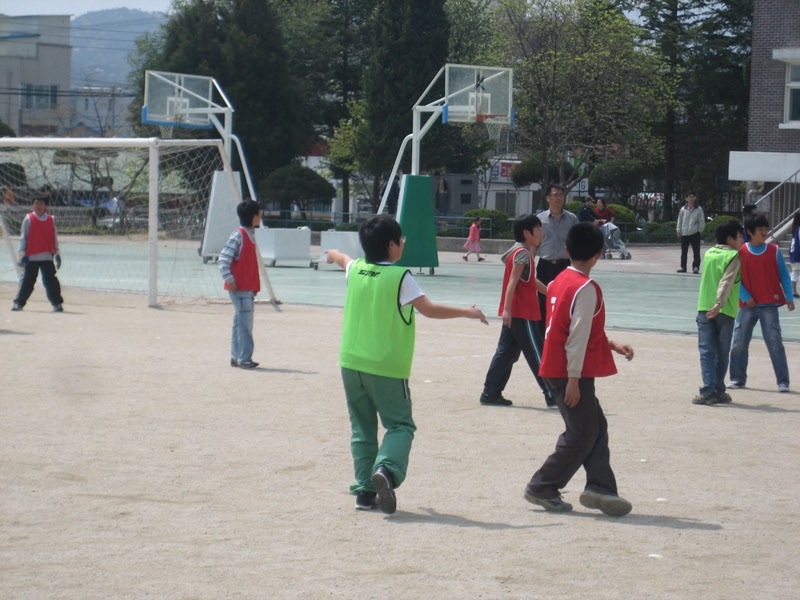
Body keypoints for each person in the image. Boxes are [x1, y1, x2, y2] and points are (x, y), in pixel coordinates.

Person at [326, 215, 488, 514]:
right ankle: (386, 471)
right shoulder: (399, 277)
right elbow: (429, 309)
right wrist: (468, 312)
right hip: (386, 366)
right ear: (391, 245)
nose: (403, 243)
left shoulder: (357, 269)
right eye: (401, 239)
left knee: (362, 429)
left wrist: (334, 254)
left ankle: (364, 492)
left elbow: (344, 260)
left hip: (350, 363)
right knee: (400, 425)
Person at [524, 222, 635, 516]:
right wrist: (574, 379)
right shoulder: (586, 288)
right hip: (570, 371)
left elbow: (572, 327)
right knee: (581, 433)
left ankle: (601, 487)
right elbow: (577, 335)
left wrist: (611, 344)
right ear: (598, 254)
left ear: (567, 250)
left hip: (555, 366)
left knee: (594, 426)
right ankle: (542, 486)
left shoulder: (559, 281)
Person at [480, 214, 554, 408]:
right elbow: (513, 281)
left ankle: (491, 393)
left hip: (515, 313)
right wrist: (507, 309)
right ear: (527, 233)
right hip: (522, 312)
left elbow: (528, 281)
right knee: (536, 352)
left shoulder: (516, 251)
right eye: (538, 229)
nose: (541, 233)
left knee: (506, 353)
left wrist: (550, 292)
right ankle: (551, 392)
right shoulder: (523, 253)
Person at [728, 214, 795, 393]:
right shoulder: (740, 252)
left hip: (769, 305)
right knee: (739, 342)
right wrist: (745, 297)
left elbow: (784, 275)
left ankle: (783, 381)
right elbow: (734, 279)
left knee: (775, 342)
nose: (764, 233)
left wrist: (789, 296)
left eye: (766, 230)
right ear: (750, 232)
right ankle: (737, 378)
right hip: (747, 306)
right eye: (760, 230)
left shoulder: (774, 250)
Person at [692, 220, 744, 406]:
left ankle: (709, 390)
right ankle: (718, 390)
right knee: (722, 352)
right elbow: (726, 281)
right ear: (730, 239)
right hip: (724, 310)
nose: (742, 240)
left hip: (704, 307)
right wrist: (719, 303)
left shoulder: (709, 253)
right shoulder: (733, 256)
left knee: (706, 352)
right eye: (740, 236)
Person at [219, 199, 262, 369]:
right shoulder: (239, 235)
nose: (261, 216)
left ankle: (236, 356)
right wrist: (229, 278)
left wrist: (254, 287)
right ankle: (244, 358)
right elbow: (224, 258)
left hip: (246, 287)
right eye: (259, 213)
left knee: (239, 322)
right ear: (253, 216)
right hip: (240, 287)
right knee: (245, 323)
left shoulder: (249, 235)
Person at [535, 184, 578, 328]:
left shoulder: (572, 219)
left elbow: (576, 244)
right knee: (543, 302)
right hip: (545, 266)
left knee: (565, 301)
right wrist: (528, 264)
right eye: (555, 195)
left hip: (564, 266)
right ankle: (542, 335)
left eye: (561, 195)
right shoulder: (539, 219)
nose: (559, 198)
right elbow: (534, 244)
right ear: (548, 198)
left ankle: (562, 331)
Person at [12, 193, 64, 312]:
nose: (38, 206)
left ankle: (57, 304)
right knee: (27, 281)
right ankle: (18, 303)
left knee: (51, 282)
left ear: (46, 206)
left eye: (41, 204)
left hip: (47, 256)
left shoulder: (51, 219)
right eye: (36, 203)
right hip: (31, 256)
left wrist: (57, 253)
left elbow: (54, 237)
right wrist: (21, 254)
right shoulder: (28, 219)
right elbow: (23, 238)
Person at [676, 192, 705, 274]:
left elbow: (701, 221)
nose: (691, 198)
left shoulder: (698, 209)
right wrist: (679, 231)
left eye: (693, 197)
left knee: (696, 252)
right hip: (684, 233)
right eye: (690, 197)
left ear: (695, 198)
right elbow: (679, 221)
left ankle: (696, 267)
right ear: (686, 198)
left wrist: (699, 230)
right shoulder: (683, 209)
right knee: (684, 252)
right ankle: (683, 267)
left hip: (695, 233)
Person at [789, 211, 800, 299]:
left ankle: (794, 291)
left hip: (793, 253)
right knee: (795, 273)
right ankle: (794, 291)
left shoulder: (795, 229)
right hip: (797, 253)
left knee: (795, 272)